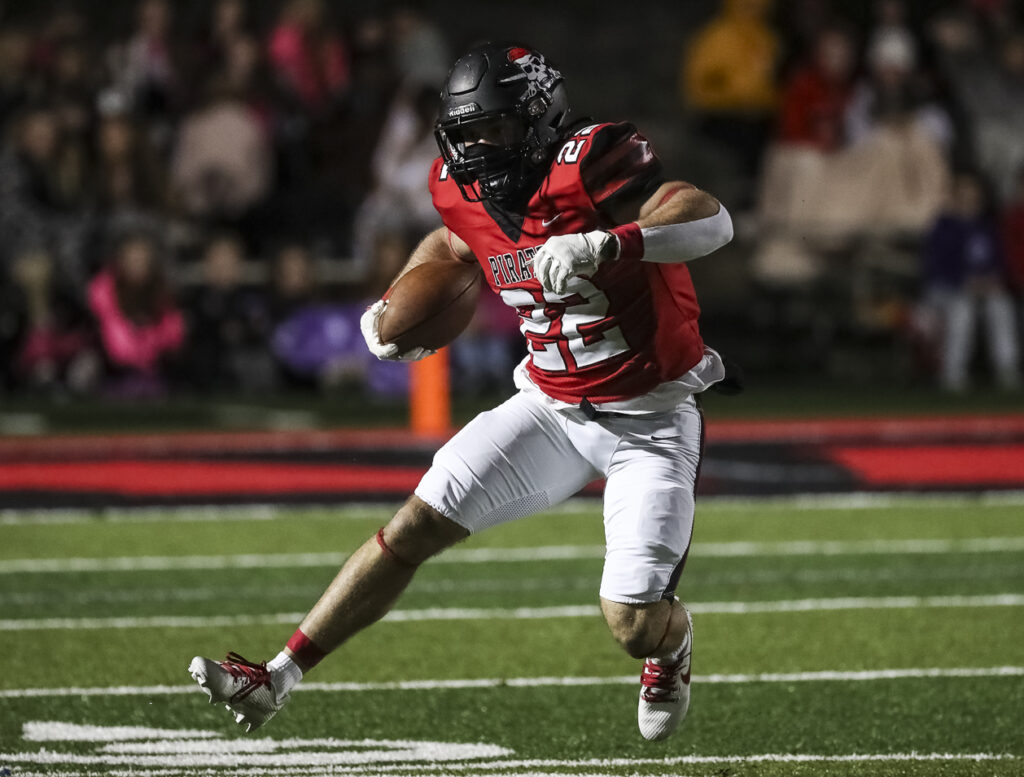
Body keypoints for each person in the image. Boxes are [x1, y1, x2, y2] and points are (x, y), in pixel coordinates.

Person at [189, 43, 734, 743]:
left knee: (631, 623)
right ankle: (278, 675)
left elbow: (708, 218)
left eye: (496, 131)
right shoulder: (460, 185)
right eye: (467, 133)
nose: (479, 149)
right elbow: (450, 245)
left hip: (650, 418)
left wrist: (610, 245)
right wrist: (393, 307)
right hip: (548, 405)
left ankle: (672, 643)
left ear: (540, 123)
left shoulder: (594, 160)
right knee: (411, 527)